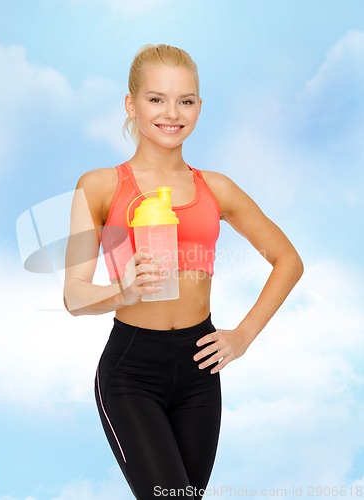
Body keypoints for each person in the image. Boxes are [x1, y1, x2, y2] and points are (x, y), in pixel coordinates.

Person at [63, 44, 303, 500]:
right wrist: (120, 292)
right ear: (131, 104)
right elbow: (73, 296)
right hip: (132, 370)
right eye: (156, 99)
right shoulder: (99, 187)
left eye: (185, 101)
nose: (172, 113)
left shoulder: (216, 188)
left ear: (198, 107)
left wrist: (243, 336)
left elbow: (288, 260)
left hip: (199, 369)